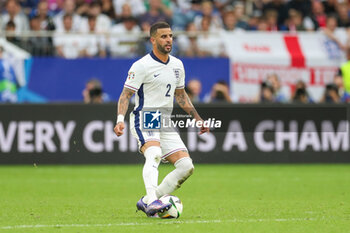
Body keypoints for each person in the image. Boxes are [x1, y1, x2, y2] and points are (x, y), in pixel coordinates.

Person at [113, 22, 209, 217]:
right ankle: (153, 203)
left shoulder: (177, 65)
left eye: (171, 36)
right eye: (164, 36)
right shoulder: (141, 66)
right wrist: (119, 119)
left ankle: (149, 200)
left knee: (186, 167)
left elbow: (180, 95)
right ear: (153, 40)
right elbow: (125, 95)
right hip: (146, 116)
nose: (169, 40)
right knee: (154, 152)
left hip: (164, 119)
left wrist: (197, 118)